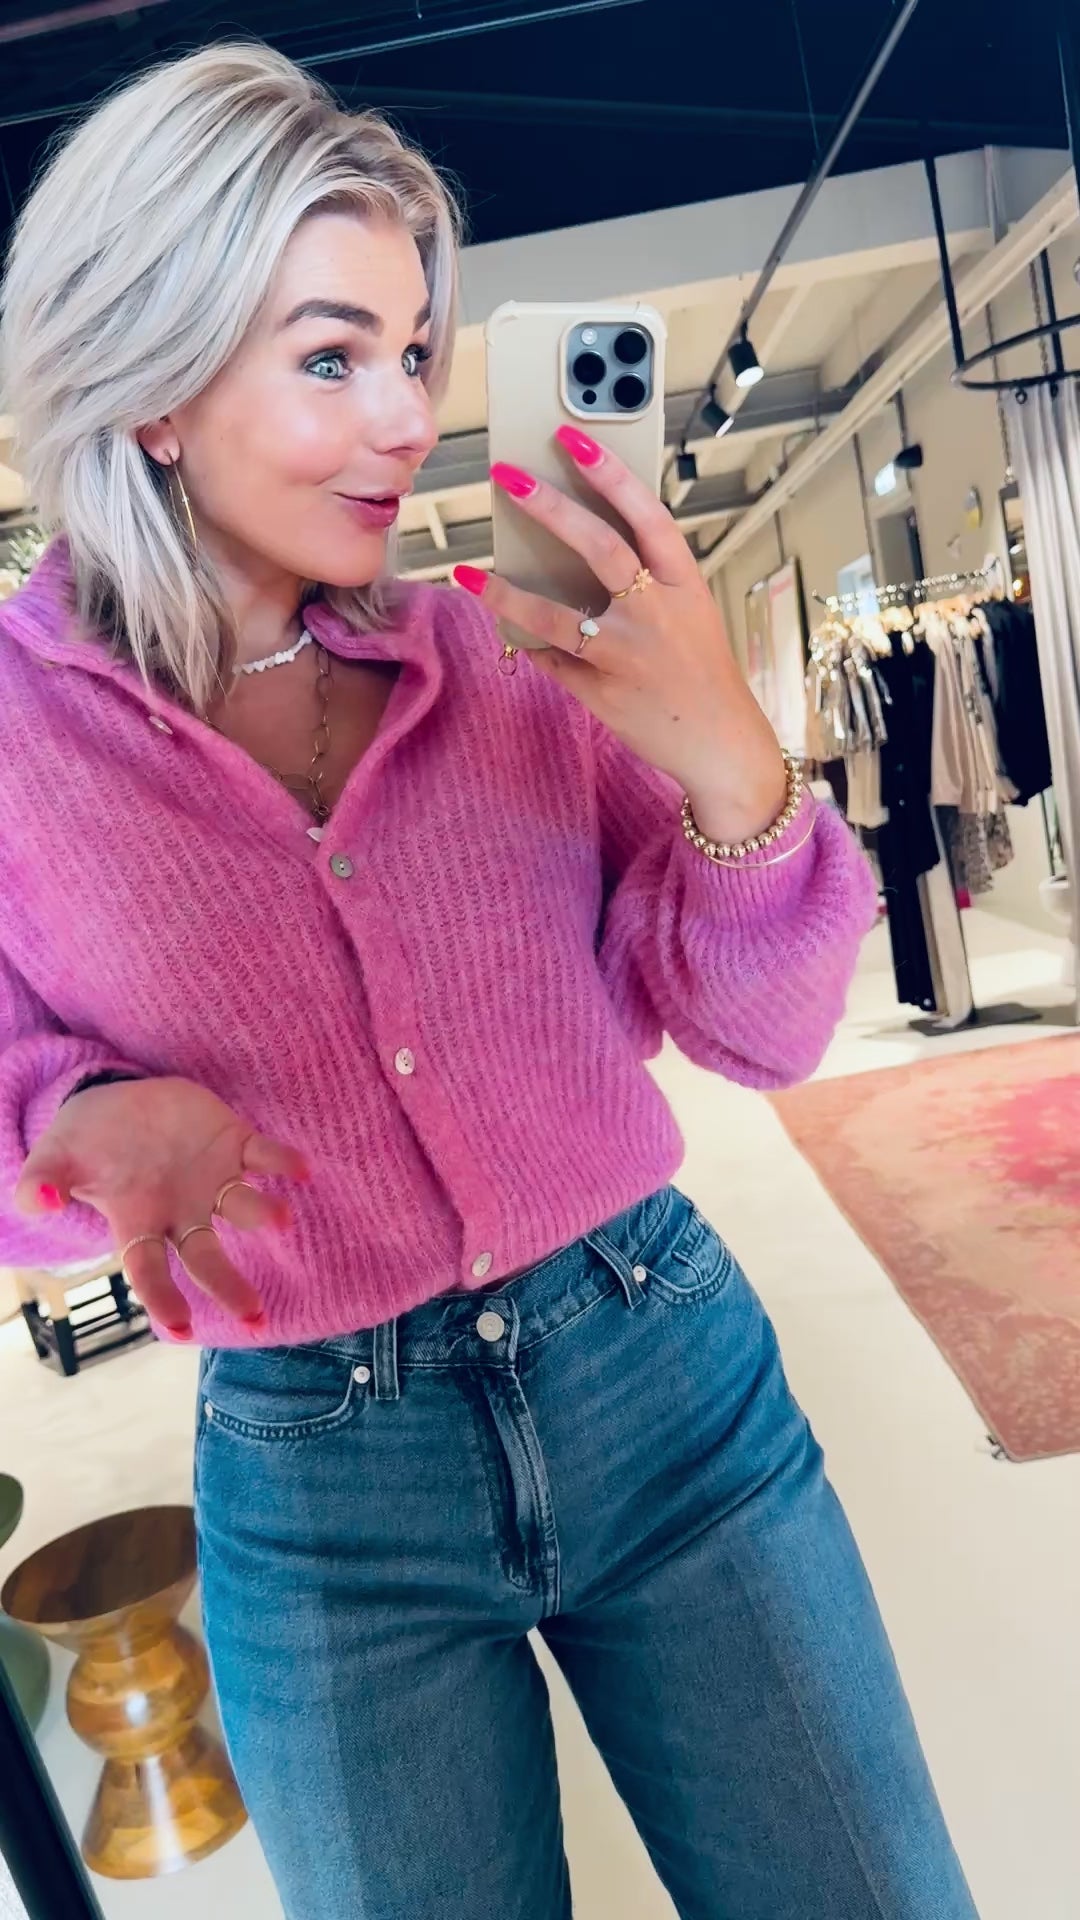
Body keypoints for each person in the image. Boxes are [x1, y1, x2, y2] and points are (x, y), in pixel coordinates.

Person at [0, 43, 978, 1920]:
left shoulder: (506, 661)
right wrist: (83, 1117)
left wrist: (733, 767)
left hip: (664, 1379)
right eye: (331, 356)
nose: (404, 417)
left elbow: (763, 1036)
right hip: (319, 1486)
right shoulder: (16, 741)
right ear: (154, 384)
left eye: (416, 350)